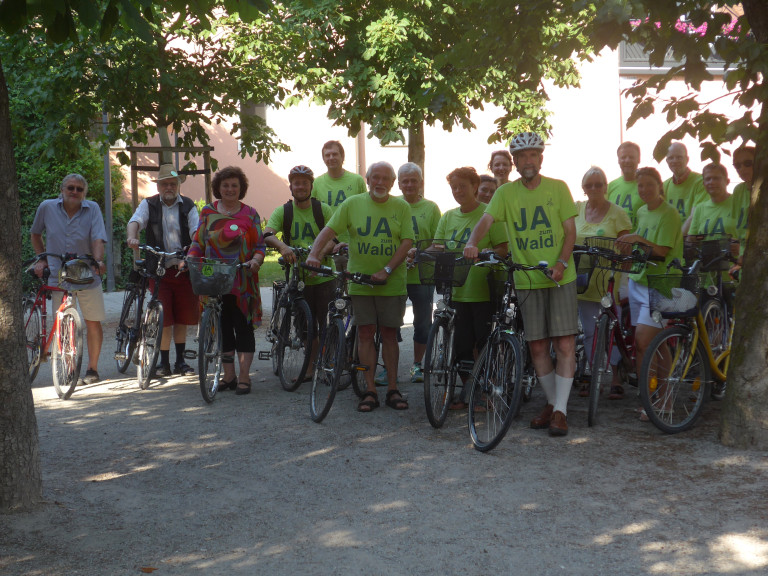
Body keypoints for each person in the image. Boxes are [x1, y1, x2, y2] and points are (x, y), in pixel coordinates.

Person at [464, 132, 578, 437]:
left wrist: (561, 263)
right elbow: (485, 222)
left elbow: (570, 233)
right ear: (514, 162)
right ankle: (555, 405)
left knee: (564, 344)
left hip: (558, 278)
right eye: (521, 156)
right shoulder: (505, 194)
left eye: (532, 155)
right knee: (537, 345)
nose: (527, 161)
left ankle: (561, 413)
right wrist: (472, 242)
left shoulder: (558, 188)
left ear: (541, 158)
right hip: (526, 278)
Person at [306, 161, 414, 412]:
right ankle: (370, 390)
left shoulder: (401, 207)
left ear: (392, 183)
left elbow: (407, 241)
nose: (380, 182)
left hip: (391, 282)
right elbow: (329, 229)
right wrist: (314, 253)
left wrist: (386, 270)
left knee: (389, 334)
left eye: (386, 178)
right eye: (375, 177)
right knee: (364, 333)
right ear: (367, 180)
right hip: (360, 282)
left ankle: (392, 388)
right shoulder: (352, 204)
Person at [187, 166, 265, 396]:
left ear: (241, 189)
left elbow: (260, 245)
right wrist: (190, 259)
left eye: (234, 185)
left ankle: (243, 376)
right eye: (225, 185)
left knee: (243, 327)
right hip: (214, 278)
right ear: (218, 188)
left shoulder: (250, 214)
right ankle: (228, 375)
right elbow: (198, 242)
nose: (230, 189)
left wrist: (257, 261)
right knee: (221, 328)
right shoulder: (208, 212)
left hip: (242, 279)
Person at [436, 167, 507, 409]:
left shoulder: (488, 214)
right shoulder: (447, 217)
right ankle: (468, 390)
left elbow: (503, 248)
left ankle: (484, 391)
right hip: (457, 290)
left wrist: (485, 252)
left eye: (462, 186)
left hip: (483, 292)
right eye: (454, 187)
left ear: (475, 187)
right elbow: (439, 247)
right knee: (461, 344)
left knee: (485, 343)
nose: (457, 191)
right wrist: (419, 251)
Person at [617, 167, 683, 421]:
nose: (643, 190)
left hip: (662, 283)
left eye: (648, 185)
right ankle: (655, 397)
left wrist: (636, 239)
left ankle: (662, 398)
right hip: (639, 280)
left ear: (659, 185)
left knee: (646, 341)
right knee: (654, 343)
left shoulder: (670, 213)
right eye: (639, 186)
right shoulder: (642, 211)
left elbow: (662, 251)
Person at [30, 174, 108, 385]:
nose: (74, 192)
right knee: (62, 320)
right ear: (62, 190)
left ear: (84, 193)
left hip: (85, 272)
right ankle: (69, 368)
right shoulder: (47, 207)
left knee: (93, 321)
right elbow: (35, 234)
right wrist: (42, 259)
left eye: (79, 189)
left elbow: (98, 238)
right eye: (70, 188)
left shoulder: (92, 209)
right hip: (58, 273)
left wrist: (98, 261)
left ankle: (92, 368)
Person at [263, 165, 335, 381]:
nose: (301, 187)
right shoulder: (283, 211)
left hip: (323, 277)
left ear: (311, 186)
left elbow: (334, 238)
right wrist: (283, 247)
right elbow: (267, 233)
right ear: (291, 186)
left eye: (305, 183)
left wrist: (319, 255)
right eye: (297, 183)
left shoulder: (323, 210)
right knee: (305, 328)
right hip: (298, 277)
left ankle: (329, 365)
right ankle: (311, 368)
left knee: (327, 324)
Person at [127, 164, 199, 376]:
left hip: (183, 268)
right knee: (164, 317)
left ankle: (181, 362)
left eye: (173, 183)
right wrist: (132, 237)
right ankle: (164, 363)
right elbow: (136, 221)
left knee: (183, 317)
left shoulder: (188, 205)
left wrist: (194, 248)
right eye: (165, 183)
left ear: (178, 185)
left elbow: (196, 230)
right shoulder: (148, 204)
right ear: (158, 186)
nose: (169, 187)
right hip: (158, 269)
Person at [575, 167, 632, 399]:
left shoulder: (618, 213)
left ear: (606, 187)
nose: (594, 189)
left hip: (608, 279)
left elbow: (626, 248)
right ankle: (593, 373)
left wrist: (624, 282)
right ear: (584, 188)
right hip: (581, 279)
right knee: (589, 332)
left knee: (611, 329)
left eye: (599, 184)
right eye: (590, 185)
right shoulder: (577, 208)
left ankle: (616, 376)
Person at [394, 162, 440, 384]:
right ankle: (387, 366)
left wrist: (418, 252)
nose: (410, 184)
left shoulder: (431, 208)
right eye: (405, 181)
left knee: (422, 322)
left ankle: (417, 365)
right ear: (399, 184)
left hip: (422, 275)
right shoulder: (390, 205)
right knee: (390, 321)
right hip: (395, 275)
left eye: (414, 180)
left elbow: (438, 243)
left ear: (420, 183)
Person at [311, 140, 367, 255]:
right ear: (323, 159)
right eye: (327, 155)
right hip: (326, 244)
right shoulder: (316, 183)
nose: (331, 158)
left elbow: (365, 212)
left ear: (342, 156)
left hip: (351, 244)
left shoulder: (357, 180)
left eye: (335, 154)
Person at [683, 163, 737, 239]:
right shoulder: (700, 208)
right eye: (708, 179)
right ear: (703, 183)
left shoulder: (739, 203)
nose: (711, 182)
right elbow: (692, 239)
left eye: (716, 178)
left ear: (727, 181)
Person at [663, 142, 707, 221]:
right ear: (666, 161)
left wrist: (678, 234)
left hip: (692, 233)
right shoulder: (664, 185)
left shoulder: (701, 182)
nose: (675, 161)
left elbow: (695, 216)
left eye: (679, 157)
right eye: (671, 158)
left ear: (687, 159)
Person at [607, 142, 645, 229]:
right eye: (623, 157)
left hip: (638, 241)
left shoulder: (647, 186)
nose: (627, 160)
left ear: (639, 159)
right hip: (613, 240)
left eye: (631, 157)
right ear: (618, 160)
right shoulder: (611, 186)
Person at [731, 145, 754, 264]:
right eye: (737, 165)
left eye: (748, 163)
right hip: (742, 260)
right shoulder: (738, 190)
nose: (742, 169)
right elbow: (736, 227)